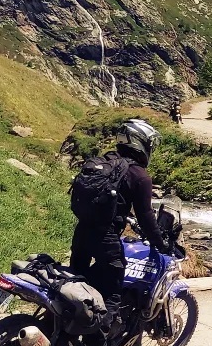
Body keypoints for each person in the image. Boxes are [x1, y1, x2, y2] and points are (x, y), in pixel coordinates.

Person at [70, 119, 169, 343]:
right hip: (106, 239)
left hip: (82, 232)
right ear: (140, 143)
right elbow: (146, 216)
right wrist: (160, 243)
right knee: (112, 295)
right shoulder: (139, 175)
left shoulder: (104, 162)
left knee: (77, 284)